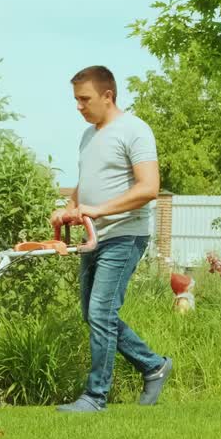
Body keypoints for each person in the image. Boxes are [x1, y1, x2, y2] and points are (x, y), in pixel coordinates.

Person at [51, 65, 172, 413]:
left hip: (125, 234)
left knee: (102, 311)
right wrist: (68, 208)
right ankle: (153, 366)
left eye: (84, 99)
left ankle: (95, 396)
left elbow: (149, 188)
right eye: (76, 100)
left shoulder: (135, 130)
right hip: (95, 236)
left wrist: (99, 210)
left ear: (108, 95)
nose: (79, 106)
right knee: (93, 315)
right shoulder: (88, 136)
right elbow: (86, 182)